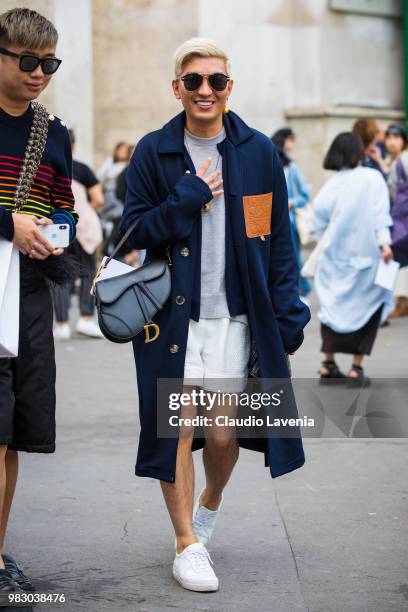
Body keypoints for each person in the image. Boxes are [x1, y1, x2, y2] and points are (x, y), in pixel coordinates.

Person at [120, 38, 310, 592]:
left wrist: (287, 311)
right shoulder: (154, 151)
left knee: (223, 433)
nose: (206, 90)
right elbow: (132, 233)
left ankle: (209, 501)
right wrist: (188, 196)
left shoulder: (257, 153)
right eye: (194, 80)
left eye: (216, 81)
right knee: (178, 430)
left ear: (230, 86)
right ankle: (186, 543)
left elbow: (277, 241)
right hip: (170, 321)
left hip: (235, 319)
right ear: (177, 87)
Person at [0, 7, 77, 595]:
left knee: (14, 430)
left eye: (48, 63)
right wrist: (9, 222)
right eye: (28, 62)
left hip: (25, 297)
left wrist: (57, 229)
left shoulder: (52, 133)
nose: (39, 74)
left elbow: (65, 204)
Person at [313, 133, 393, 385]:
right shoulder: (372, 179)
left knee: (331, 309)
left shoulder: (330, 185)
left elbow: (318, 224)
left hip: (333, 262)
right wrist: (385, 244)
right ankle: (356, 368)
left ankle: (328, 363)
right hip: (365, 260)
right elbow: (381, 215)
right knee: (369, 309)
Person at [53, 129, 104, 339]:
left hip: (56, 227)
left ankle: (62, 324)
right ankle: (85, 319)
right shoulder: (81, 169)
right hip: (82, 228)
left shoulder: (49, 166)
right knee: (88, 273)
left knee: (60, 275)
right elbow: (98, 199)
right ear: (73, 146)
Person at [271, 127, 311, 300]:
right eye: (291, 140)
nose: (292, 144)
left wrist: (290, 202)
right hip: (269, 220)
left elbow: (304, 195)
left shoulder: (291, 167)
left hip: (289, 221)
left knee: (292, 258)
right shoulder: (269, 161)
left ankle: (302, 291)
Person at [387, 140, 408, 317]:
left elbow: (393, 189)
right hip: (401, 216)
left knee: (400, 257)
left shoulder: (403, 160)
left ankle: (402, 301)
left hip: (402, 217)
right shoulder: (395, 160)